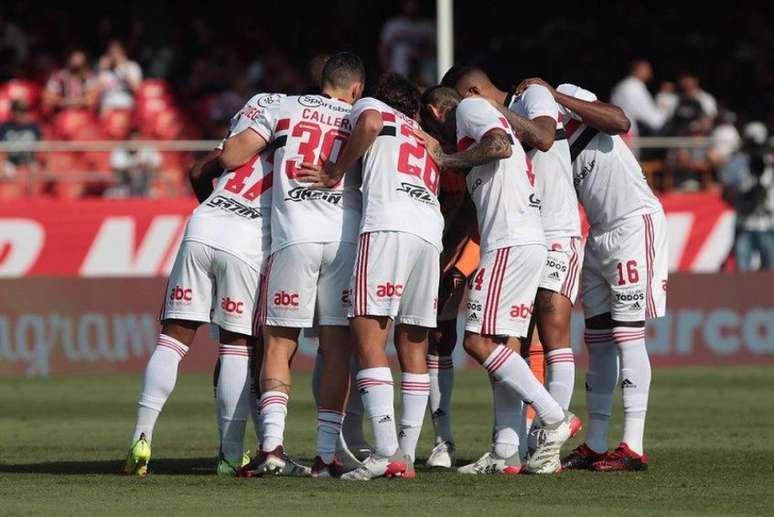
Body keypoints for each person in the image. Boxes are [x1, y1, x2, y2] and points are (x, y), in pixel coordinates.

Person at [123, 92, 299, 477]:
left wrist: (213, 207)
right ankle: (230, 454)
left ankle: (141, 437)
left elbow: (196, 171)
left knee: (172, 341)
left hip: (203, 225)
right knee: (236, 346)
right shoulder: (296, 156)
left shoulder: (242, 147)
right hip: (248, 241)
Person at [419, 86, 580, 475]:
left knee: (476, 341)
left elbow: (500, 146)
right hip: (520, 240)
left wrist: (446, 158)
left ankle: (555, 417)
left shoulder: (471, 110)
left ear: (436, 112)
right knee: (506, 345)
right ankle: (506, 450)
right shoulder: (481, 125)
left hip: (511, 243)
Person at [221, 53, 365, 477]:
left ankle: (272, 448)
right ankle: (325, 455)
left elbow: (234, 156)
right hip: (345, 237)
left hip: (294, 236)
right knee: (337, 347)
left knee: (279, 343)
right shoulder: (362, 114)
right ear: (355, 88)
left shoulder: (283, 105)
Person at [515, 78, 668, 471]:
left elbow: (619, 121)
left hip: (634, 221)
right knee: (597, 339)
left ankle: (632, 445)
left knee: (627, 334)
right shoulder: (536, 131)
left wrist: (556, 95)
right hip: (597, 233)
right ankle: (597, 443)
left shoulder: (568, 99)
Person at [298, 73, 443, 479]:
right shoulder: (421, 134)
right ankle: (407, 454)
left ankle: (384, 451)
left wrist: (334, 171)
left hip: (387, 226)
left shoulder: (372, 107)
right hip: (430, 232)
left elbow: (371, 125)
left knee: (365, 334)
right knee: (413, 344)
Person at [720, 122, 774, 270]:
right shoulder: (738, 163)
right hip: (745, 221)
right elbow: (726, 190)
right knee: (742, 273)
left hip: (768, 222)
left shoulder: (769, 162)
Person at [379, 0, 435, 86]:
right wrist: (387, 70)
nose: (412, 6)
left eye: (414, 3)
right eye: (409, 3)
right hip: (399, 72)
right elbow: (383, 48)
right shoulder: (393, 25)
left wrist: (419, 53)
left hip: (423, 71)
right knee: (401, 49)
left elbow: (437, 49)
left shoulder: (427, 26)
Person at [610, 60, 666, 138]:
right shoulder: (635, 86)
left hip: (616, 133)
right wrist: (665, 106)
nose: (650, 73)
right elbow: (654, 120)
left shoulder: (621, 85)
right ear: (638, 70)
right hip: (627, 135)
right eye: (647, 70)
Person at [107, 129, 160, 197]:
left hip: (146, 186)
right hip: (125, 186)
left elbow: (158, 168)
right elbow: (115, 169)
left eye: (137, 139)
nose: (134, 142)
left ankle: (143, 191)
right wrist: (130, 169)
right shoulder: (120, 150)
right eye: (132, 140)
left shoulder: (149, 150)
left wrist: (145, 167)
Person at [0, 100, 41, 182]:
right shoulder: (5, 127)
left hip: (30, 161)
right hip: (11, 162)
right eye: (17, 111)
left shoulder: (33, 127)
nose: (20, 114)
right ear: (12, 112)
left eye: (23, 111)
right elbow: (2, 149)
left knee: (36, 174)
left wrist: (38, 161)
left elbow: (42, 148)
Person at [97, 40, 143, 113]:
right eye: (111, 53)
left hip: (126, 103)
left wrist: (124, 69)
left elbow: (136, 88)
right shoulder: (105, 69)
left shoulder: (132, 66)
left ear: (123, 52)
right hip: (108, 104)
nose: (114, 55)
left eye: (117, 52)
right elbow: (97, 91)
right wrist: (100, 70)